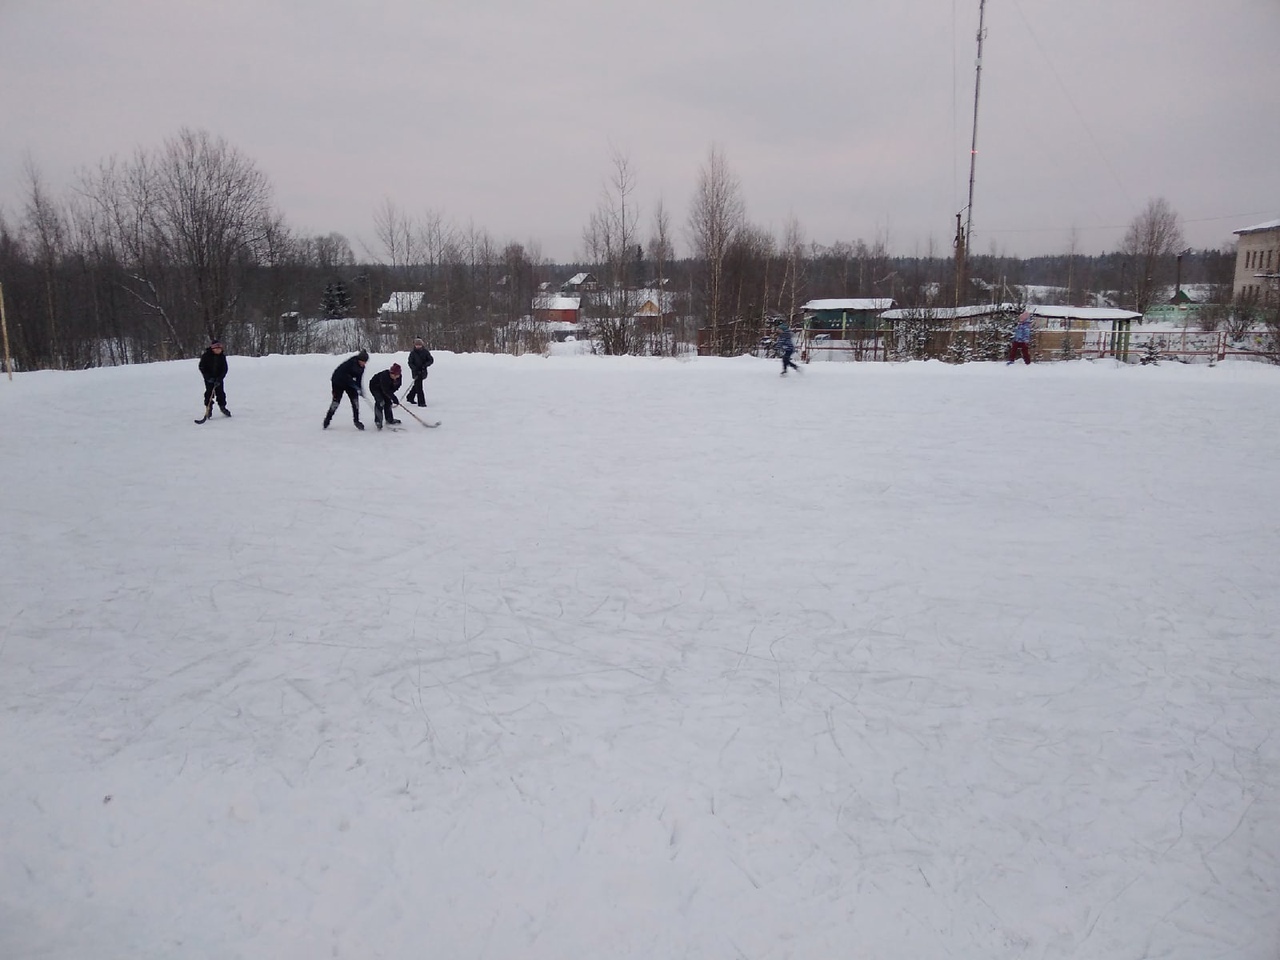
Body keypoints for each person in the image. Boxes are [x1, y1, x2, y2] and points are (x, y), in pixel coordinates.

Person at [324, 349, 369, 430]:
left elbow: (359, 379)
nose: (364, 363)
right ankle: (327, 419)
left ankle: (356, 421)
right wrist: (354, 385)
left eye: (365, 362)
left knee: (355, 401)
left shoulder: (361, 368)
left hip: (350, 383)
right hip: (338, 382)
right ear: (359, 360)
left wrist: (360, 389)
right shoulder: (350, 363)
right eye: (362, 361)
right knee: (336, 401)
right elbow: (345, 377)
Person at [199, 338, 231, 416]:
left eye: (219, 348)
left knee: (221, 393)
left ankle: (222, 407)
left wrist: (220, 378)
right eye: (216, 348)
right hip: (209, 379)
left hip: (218, 378)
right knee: (209, 393)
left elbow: (225, 369)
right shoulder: (206, 356)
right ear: (212, 348)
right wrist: (208, 377)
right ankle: (208, 408)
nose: (218, 350)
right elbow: (202, 367)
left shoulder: (222, 357)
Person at [369, 363, 404, 430]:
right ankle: (378, 421)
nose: (394, 376)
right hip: (375, 387)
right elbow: (385, 389)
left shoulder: (399, 378)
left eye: (396, 375)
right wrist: (393, 397)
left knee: (388, 402)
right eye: (392, 374)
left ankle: (389, 419)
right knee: (380, 402)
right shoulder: (384, 376)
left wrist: (391, 396)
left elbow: (396, 387)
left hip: (386, 389)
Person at [405, 337, 434, 406]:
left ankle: (410, 397)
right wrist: (415, 369)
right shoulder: (412, 353)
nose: (418, 346)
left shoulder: (425, 352)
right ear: (414, 345)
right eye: (417, 345)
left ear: (422, 345)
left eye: (419, 345)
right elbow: (410, 363)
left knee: (417, 385)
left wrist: (425, 365)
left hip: (423, 371)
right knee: (419, 387)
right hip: (416, 372)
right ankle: (421, 402)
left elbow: (431, 360)